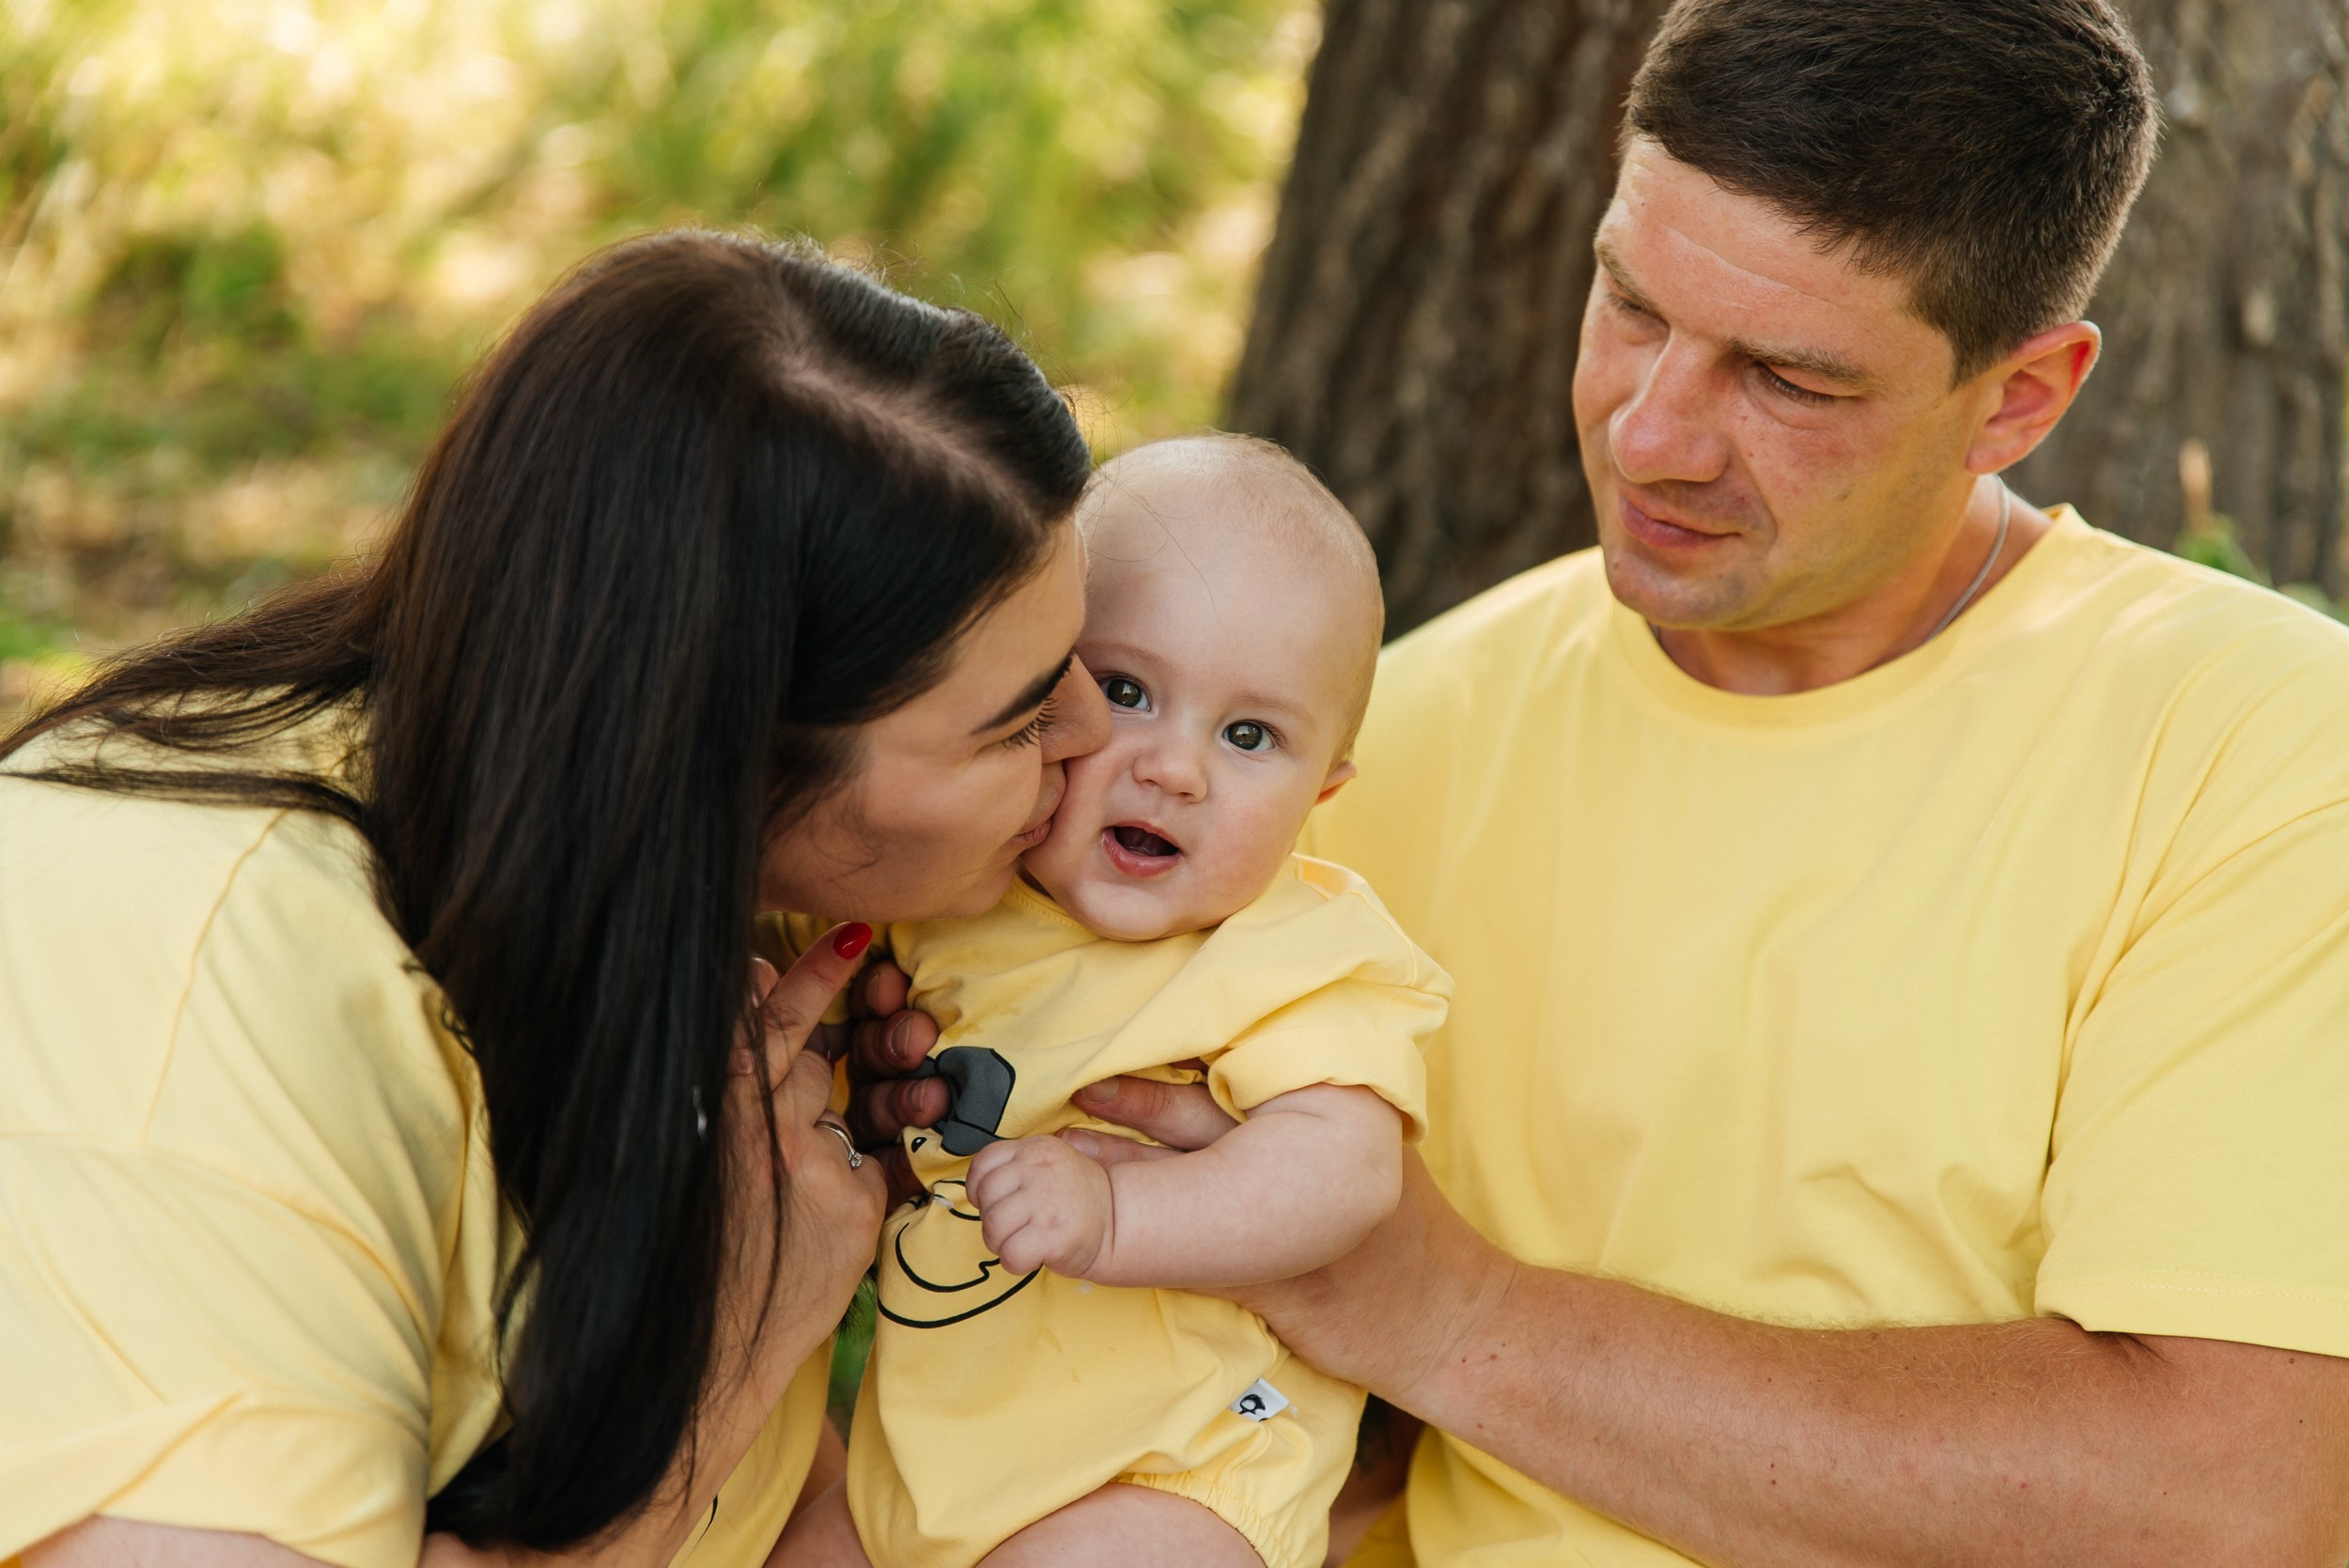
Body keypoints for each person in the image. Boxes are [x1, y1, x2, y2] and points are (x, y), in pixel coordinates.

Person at [845, 3, 2349, 1564]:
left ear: (2022, 396)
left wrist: (1452, 1314)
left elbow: (2230, 1501)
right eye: (1630, 301)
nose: (1651, 433)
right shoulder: (1343, 755)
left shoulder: (2259, 756)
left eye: (1784, 377)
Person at [0, 230, 1114, 1568]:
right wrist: (730, 1362)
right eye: (1019, 721)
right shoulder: (193, 1021)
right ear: (741, 756)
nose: (1098, 733)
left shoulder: (633, 858)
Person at [773, 436, 1449, 1568]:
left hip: (1172, 1472)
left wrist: (1116, 1217)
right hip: (920, 1469)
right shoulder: (960, 895)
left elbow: (1340, 1174)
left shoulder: (1300, 952)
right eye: (1128, 691)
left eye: (1248, 736)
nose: (1174, 769)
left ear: (1321, 789)